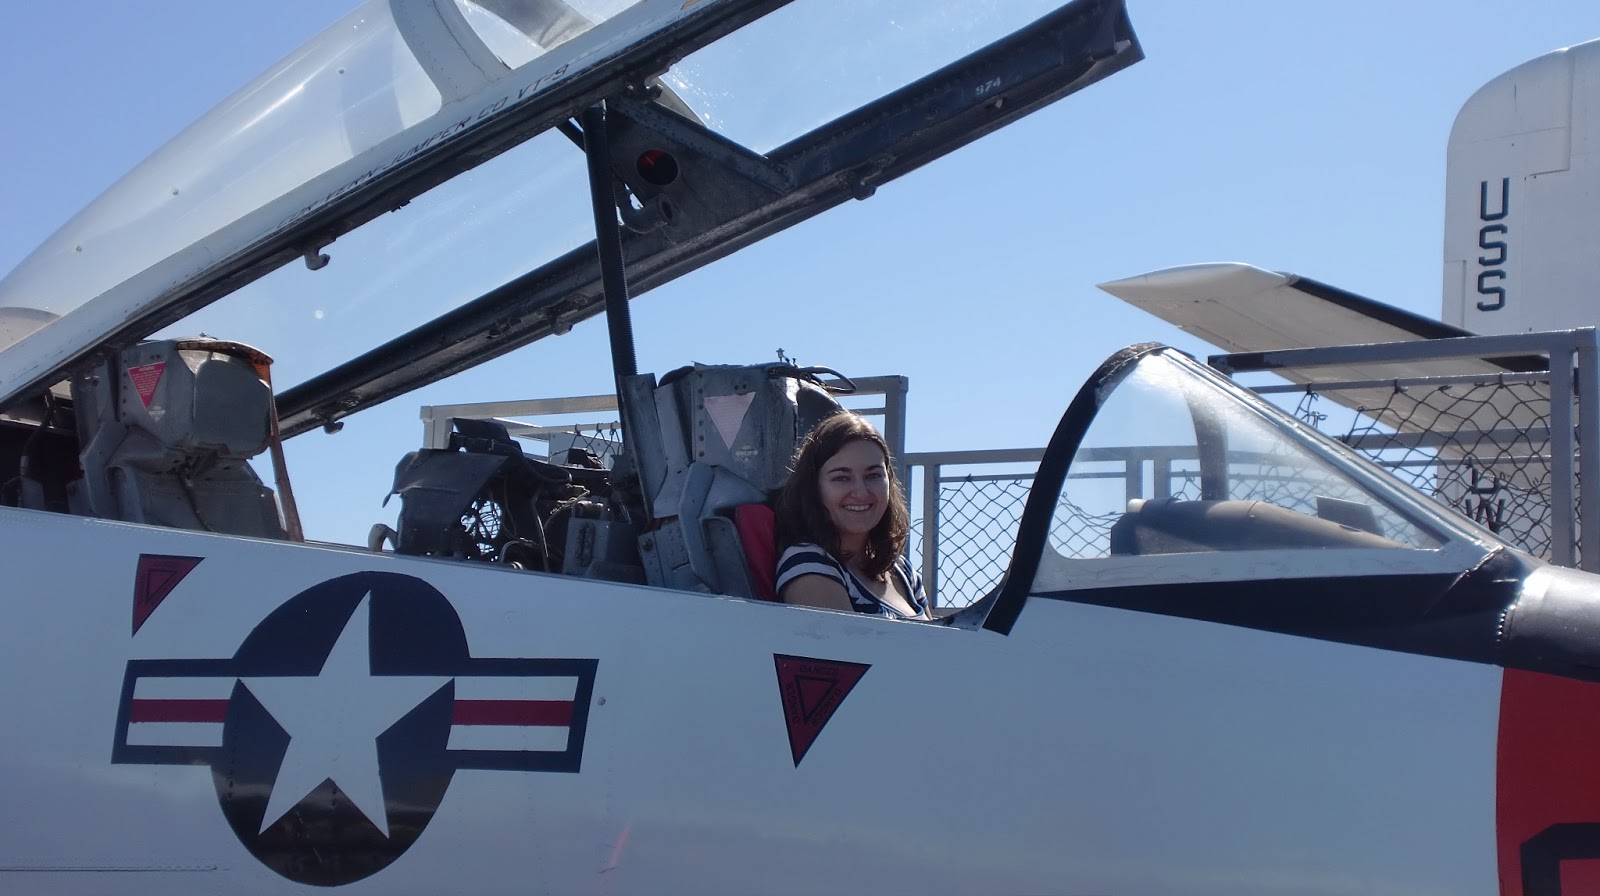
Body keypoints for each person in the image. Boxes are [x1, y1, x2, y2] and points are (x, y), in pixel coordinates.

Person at [774, 413, 929, 619]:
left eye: (873, 476)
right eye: (842, 478)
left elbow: (941, 640)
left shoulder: (903, 572)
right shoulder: (809, 564)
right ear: (814, 488)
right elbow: (840, 641)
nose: (861, 492)